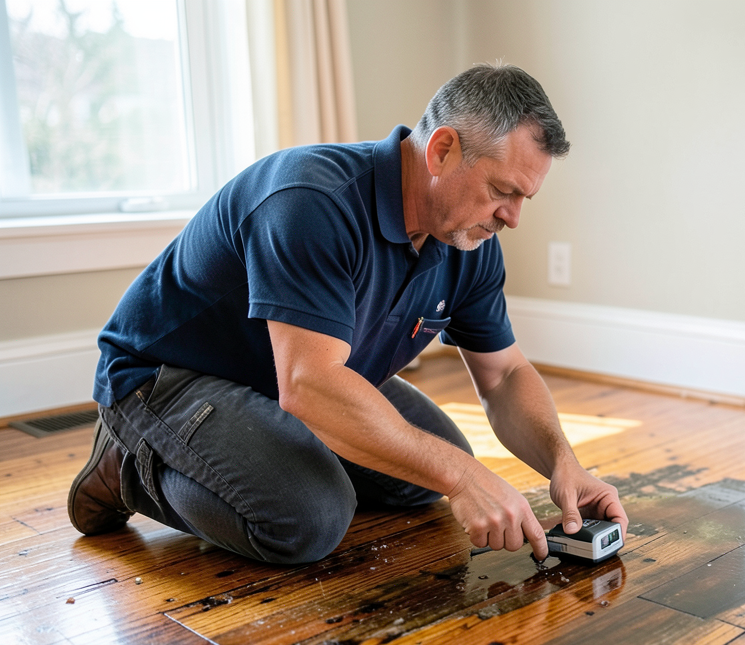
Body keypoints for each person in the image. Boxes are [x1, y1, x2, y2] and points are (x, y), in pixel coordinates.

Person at [68, 63, 627, 565]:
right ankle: (129, 466)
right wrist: (462, 478)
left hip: (290, 373)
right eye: (503, 190)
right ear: (441, 151)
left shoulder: (468, 240)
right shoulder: (312, 201)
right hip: (166, 375)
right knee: (308, 518)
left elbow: (503, 375)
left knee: (429, 472)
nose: (513, 217)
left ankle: (263, 446)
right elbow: (309, 383)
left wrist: (563, 464)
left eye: (525, 198)